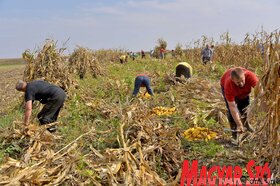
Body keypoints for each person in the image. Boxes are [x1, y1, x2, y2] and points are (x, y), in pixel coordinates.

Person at [220, 67, 258, 139]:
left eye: (242, 81)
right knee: (230, 111)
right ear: (233, 80)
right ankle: (235, 131)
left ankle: (246, 125)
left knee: (244, 107)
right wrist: (239, 124)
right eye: (238, 82)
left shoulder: (251, 77)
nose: (241, 84)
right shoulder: (228, 85)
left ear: (244, 76)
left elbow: (260, 92)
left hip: (245, 93)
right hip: (229, 87)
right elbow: (232, 106)